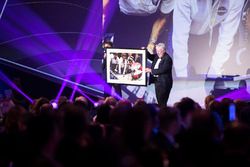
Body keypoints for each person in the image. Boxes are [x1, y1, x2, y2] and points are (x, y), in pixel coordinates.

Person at [172, 0, 246, 77]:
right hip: (183, 31)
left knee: (203, 71)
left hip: (206, 35)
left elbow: (227, 37)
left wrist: (215, 71)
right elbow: (180, 39)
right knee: (177, 73)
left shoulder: (237, 1)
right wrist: (181, 76)